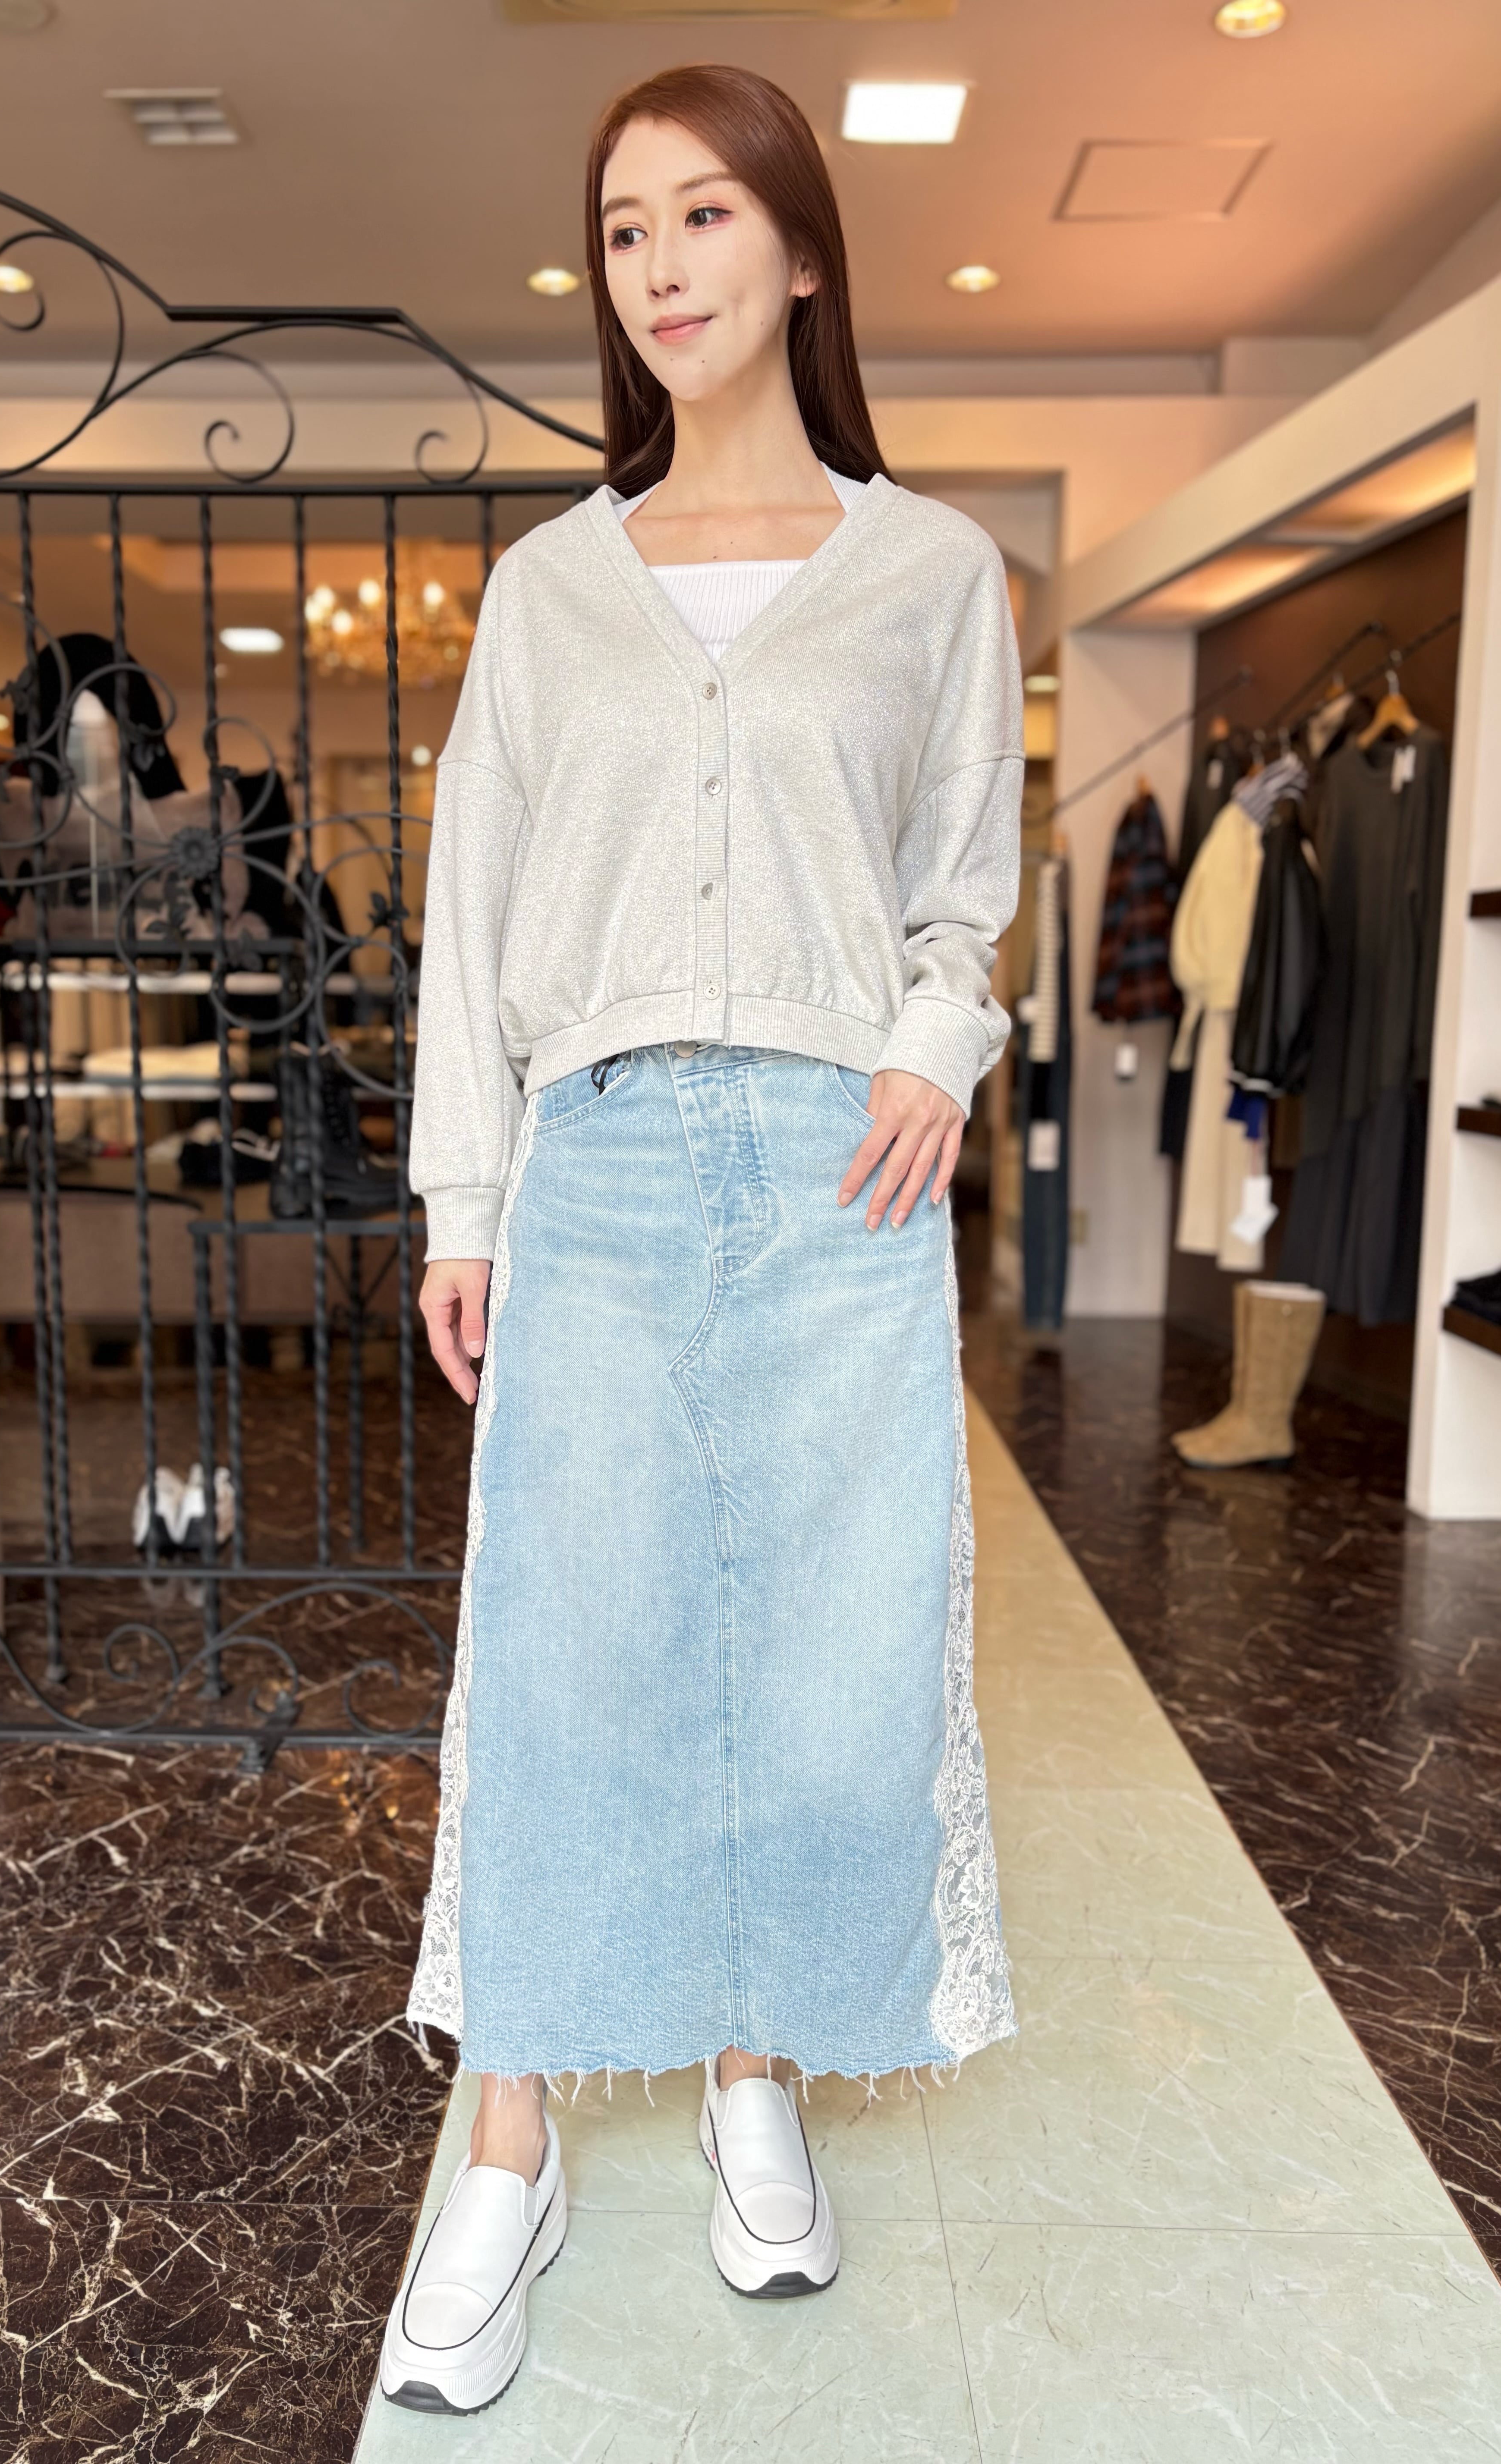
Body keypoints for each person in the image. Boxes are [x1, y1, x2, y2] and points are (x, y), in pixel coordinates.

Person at [378, 62, 1020, 2419]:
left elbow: (964, 878)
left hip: (848, 1176)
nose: (658, 264)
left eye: (705, 214)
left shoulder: (932, 572)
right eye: (625, 226)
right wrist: (465, 1200)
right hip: (608, 1163)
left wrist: (938, 1041)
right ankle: (513, 2142)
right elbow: (472, 916)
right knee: (570, 1653)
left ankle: (759, 2074)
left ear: (804, 250)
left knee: (833, 1653)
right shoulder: (551, 592)